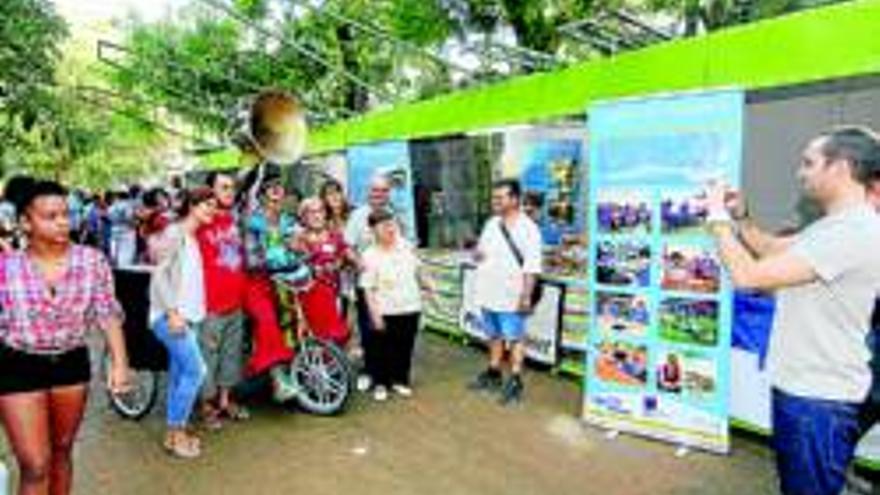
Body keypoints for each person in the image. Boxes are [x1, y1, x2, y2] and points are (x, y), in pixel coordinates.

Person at [704, 127, 880, 495]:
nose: (801, 172)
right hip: (805, 390)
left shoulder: (856, 232)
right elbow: (767, 249)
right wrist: (741, 216)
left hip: (819, 398)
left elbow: (748, 275)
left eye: (809, 163)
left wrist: (716, 218)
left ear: (841, 168)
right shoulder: (834, 226)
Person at [0, 179, 130, 495]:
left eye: (65, 214)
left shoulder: (91, 260)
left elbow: (107, 312)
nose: (62, 223)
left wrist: (120, 362)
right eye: (50, 216)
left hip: (71, 364)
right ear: (25, 222)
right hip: (17, 365)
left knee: (61, 450)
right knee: (35, 464)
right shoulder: (8, 268)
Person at [148, 187, 215, 459]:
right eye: (206, 204)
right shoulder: (175, 233)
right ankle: (175, 435)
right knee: (196, 371)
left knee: (180, 374)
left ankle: (176, 432)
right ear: (192, 205)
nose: (211, 209)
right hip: (170, 317)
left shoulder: (191, 237)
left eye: (213, 205)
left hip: (188, 318)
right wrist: (173, 312)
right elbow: (159, 276)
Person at [468, 179, 542, 405]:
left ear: (515, 199)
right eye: (494, 197)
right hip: (488, 292)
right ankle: (493, 371)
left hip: (512, 295)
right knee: (494, 335)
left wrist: (526, 296)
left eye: (500, 198)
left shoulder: (529, 229)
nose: (495, 202)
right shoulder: (491, 223)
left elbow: (532, 266)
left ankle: (516, 378)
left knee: (515, 337)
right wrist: (476, 252)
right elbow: (481, 253)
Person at [344, 174, 410, 393]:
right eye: (375, 190)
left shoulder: (396, 215)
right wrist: (360, 263)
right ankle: (370, 371)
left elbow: (405, 245)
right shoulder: (357, 216)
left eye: (383, 191)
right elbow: (347, 247)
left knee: (393, 329)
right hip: (368, 283)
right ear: (368, 192)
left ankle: (390, 374)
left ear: (388, 193)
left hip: (393, 285)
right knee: (370, 329)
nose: (379, 195)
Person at [360, 209, 432, 401]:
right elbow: (368, 288)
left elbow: (419, 268)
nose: (390, 229)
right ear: (373, 231)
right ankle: (380, 383)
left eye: (392, 224)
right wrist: (375, 315)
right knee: (381, 348)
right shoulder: (369, 255)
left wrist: (427, 284)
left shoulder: (406, 246)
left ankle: (400, 380)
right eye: (384, 226)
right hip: (385, 309)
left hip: (410, 306)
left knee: (405, 346)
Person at [196, 172, 250, 428]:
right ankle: (206, 405)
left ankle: (225, 401)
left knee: (231, 354)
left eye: (232, 187)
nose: (230, 192)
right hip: (210, 303)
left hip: (235, 300)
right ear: (210, 191)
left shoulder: (232, 219)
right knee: (209, 356)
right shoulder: (199, 221)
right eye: (224, 187)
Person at [241, 173, 300, 404]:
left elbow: (298, 249)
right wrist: (279, 260)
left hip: (285, 278)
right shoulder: (252, 222)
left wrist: (298, 249)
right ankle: (277, 378)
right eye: (271, 188)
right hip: (257, 282)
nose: (277, 192)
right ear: (262, 195)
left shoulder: (288, 220)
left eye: (279, 188)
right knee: (267, 321)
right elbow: (252, 260)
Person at [293, 197, 356, 347]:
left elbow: (346, 253)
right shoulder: (299, 238)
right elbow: (297, 263)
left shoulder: (334, 235)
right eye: (311, 212)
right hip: (310, 292)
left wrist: (351, 261)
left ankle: (332, 359)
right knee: (325, 332)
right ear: (303, 217)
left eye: (320, 211)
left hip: (335, 291)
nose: (316, 215)